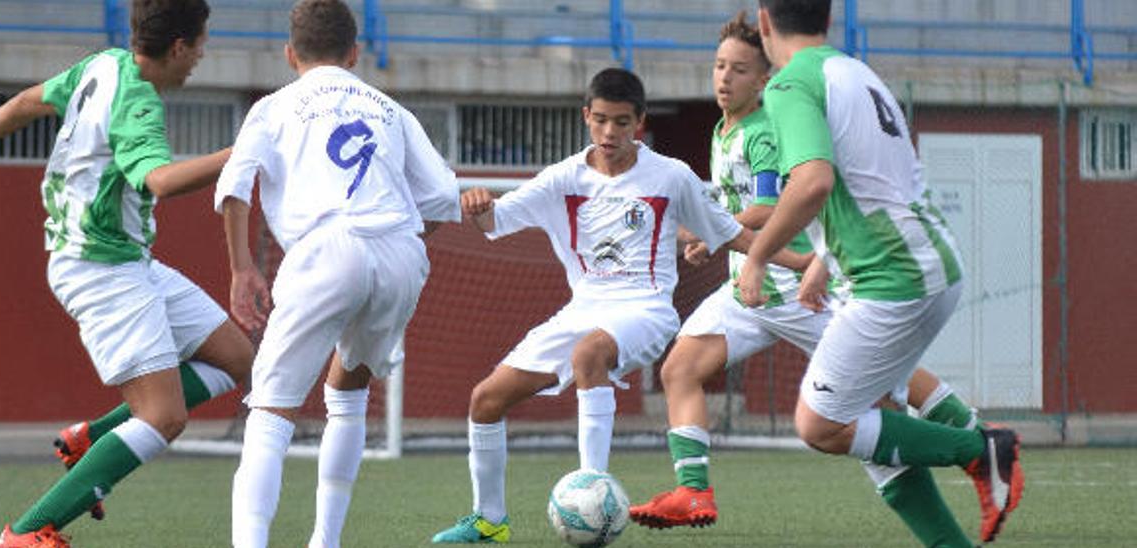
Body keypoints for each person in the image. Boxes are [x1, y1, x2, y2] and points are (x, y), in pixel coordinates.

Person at [0, 1, 256, 546]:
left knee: (236, 357)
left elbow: (26, 102)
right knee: (163, 418)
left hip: (122, 260)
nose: (202, 55)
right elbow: (162, 182)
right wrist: (246, 149)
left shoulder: (102, 64)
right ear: (179, 45)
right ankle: (28, 532)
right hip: (102, 272)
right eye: (201, 44)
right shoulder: (139, 104)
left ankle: (89, 440)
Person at [628, 11, 986, 535]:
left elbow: (772, 205)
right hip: (748, 292)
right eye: (719, 66)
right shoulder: (722, 129)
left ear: (764, 75)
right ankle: (693, 491)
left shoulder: (767, 129)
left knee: (887, 386)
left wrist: (711, 230)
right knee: (679, 368)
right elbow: (739, 209)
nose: (725, 78)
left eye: (740, 70)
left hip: (796, 288)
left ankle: (979, 440)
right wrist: (718, 234)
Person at [430, 67, 812, 544]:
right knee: (485, 400)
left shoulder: (671, 176)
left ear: (641, 123)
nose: (611, 133)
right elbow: (495, 222)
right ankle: (489, 519)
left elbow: (735, 235)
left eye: (623, 123)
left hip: (646, 309)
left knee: (589, 355)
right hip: (582, 310)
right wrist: (480, 205)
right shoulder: (562, 179)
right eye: (602, 120)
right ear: (587, 116)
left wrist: (806, 261)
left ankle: (593, 497)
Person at [735, 0, 1024, 545]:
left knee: (819, 424)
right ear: (827, 19)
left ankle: (979, 448)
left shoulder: (790, 85)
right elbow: (873, 181)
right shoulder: (855, 72)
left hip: (892, 276)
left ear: (764, 22)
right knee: (868, 418)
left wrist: (755, 255)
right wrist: (825, 259)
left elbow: (813, 181)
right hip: (920, 261)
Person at [212, 1, 461, 547]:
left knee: (270, 410)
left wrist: (241, 268)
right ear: (354, 53)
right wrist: (401, 245)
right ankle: (325, 542)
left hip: (326, 248)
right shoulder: (391, 109)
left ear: (289, 53)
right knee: (348, 388)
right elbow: (444, 198)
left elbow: (233, 187)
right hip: (399, 252)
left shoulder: (275, 107)